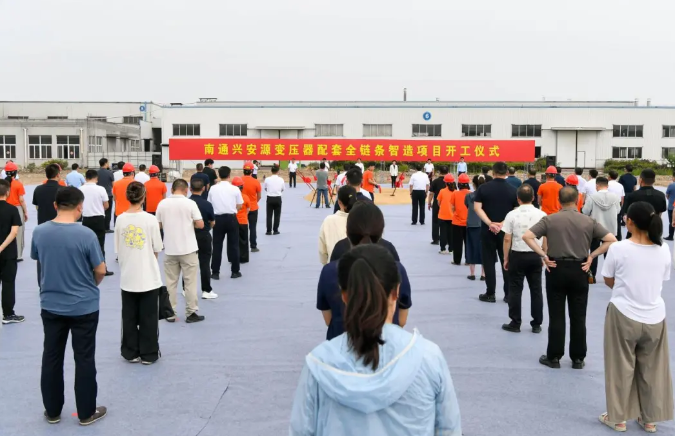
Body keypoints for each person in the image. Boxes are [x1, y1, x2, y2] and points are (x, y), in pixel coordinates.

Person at [296, 243, 460, 436]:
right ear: (396, 292)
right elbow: (449, 429)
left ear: (344, 295)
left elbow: (301, 430)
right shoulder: (428, 357)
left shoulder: (318, 364)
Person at [31, 187, 108, 426]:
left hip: (51, 304)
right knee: (84, 358)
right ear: (80, 207)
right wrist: (90, 285)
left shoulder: (40, 231)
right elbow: (100, 269)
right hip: (84, 305)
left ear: (55, 205)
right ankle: (86, 412)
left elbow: (39, 260)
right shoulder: (86, 235)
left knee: (51, 356)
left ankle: (52, 410)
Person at [598, 202, 673, 433]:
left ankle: (618, 418)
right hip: (655, 315)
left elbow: (608, 278)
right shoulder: (663, 249)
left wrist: (624, 290)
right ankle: (649, 419)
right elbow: (662, 278)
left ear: (629, 221)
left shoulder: (619, 248)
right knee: (653, 368)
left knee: (620, 366)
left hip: (623, 313)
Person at [523, 187, 617, 369]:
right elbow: (611, 239)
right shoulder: (588, 221)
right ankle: (578, 358)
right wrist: (591, 256)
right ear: (578, 200)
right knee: (579, 315)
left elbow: (527, 236)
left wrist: (543, 255)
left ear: (559, 201)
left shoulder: (550, 219)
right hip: (580, 269)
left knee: (556, 314)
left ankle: (554, 356)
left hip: (555, 268)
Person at [317, 203, 411, 339]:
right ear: (381, 231)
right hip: (389, 344)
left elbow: (328, 320)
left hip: (340, 343)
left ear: (347, 232)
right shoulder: (397, 269)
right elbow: (402, 320)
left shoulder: (329, 272)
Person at [114, 182, 163, 364]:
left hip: (128, 275)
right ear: (144, 197)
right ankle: (149, 353)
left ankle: (130, 351)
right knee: (149, 317)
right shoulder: (150, 219)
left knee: (129, 316)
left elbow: (118, 248)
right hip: (148, 275)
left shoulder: (120, 219)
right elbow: (157, 248)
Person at [155, 179, 205, 323]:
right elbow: (200, 224)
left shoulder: (162, 204)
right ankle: (191, 312)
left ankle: (170, 313)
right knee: (190, 283)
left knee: (171, 283)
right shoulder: (190, 203)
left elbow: (157, 225)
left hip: (170, 249)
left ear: (172, 189)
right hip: (188, 249)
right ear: (186, 190)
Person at [501, 184, 546, 333]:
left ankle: (515, 322)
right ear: (533, 198)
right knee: (536, 289)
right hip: (535, 254)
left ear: (518, 199)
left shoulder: (511, 215)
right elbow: (546, 237)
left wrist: (506, 258)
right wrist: (544, 254)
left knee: (515, 289)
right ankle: (536, 324)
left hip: (517, 254)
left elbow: (507, 238)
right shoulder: (542, 214)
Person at [473, 162, 518, 303]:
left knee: (489, 261)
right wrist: (503, 223)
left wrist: (490, 223)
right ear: (507, 173)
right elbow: (516, 210)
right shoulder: (513, 190)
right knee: (506, 260)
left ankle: (490, 293)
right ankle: (508, 294)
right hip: (506, 232)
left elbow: (477, 208)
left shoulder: (483, 188)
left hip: (487, 230)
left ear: (493, 172)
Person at [582, 177, 621, 283]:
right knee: (609, 253)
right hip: (610, 229)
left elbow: (585, 211)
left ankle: (592, 275)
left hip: (596, 229)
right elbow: (618, 211)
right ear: (607, 186)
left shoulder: (592, 197)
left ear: (597, 185)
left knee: (594, 252)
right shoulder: (615, 197)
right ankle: (610, 276)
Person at [208, 166, 244, 279]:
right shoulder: (235, 189)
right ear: (229, 175)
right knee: (234, 245)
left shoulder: (213, 188)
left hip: (217, 219)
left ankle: (215, 272)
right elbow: (240, 205)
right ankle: (235, 271)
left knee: (217, 246)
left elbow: (209, 204)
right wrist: (233, 210)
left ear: (219, 175)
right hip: (231, 218)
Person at [80, 170, 113, 277]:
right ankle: (103, 268)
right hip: (99, 219)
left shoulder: (80, 189)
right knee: (100, 245)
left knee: (86, 245)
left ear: (86, 178)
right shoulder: (101, 189)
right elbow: (106, 205)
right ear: (96, 178)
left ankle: (87, 269)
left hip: (86, 219)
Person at [0, 180, 23, 324]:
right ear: (7, 192)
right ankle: (8, 314)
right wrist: (1, 247)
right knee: (8, 283)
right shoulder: (12, 209)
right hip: (8, 253)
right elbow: (14, 232)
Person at [189, 178, 216, 299]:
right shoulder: (207, 204)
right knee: (205, 264)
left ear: (190, 189)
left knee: (188, 264)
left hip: (189, 236)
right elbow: (212, 222)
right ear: (204, 188)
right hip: (204, 235)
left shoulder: (186, 203)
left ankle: (186, 289)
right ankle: (206, 290)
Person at [621, 169, 667, 240]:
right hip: (653, 233)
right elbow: (660, 215)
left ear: (640, 180)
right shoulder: (661, 195)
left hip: (635, 233)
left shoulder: (632, 196)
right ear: (654, 181)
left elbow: (626, 214)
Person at [319, 186, 356, 265]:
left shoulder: (328, 220)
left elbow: (322, 251)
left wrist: (327, 265)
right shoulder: (361, 220)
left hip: (333, 266)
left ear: (339, 202)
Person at [4, 162, 27, 261]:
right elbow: (21, 200)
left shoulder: (2, 184)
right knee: (18, 232)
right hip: (17, 208)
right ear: (15, 172)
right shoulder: (18, 184)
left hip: (4, 207)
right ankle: (18, 255)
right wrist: (25, 212)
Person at [465, 175, 485, 281]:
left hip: (472, 224)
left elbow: (467, 206)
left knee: (471, 247)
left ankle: (472, 273)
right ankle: (483, 274)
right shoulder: (487, 196)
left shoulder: (469, 196)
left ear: (473, 184)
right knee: (484, 248)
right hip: (484, 224)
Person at [450, 173, 471, 265]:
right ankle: (468, 260)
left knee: (457, 243)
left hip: (457, 222)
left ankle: (457, 260)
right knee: (468, 243)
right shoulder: (471, 194)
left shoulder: (455, 193)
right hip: (469, 222)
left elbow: (452, 207)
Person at [242, 162, 262, 252]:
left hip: (242, 208)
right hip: (253, 208)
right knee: (253, 227)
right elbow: (259, 196)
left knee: (242, 227)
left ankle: (243, 246)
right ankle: (253, 246)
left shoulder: (239, 181)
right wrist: (253, 202)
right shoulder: (256, 181)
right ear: (252, 171)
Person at [428, 165, 449, 244]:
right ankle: (447, 239)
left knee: (435, 221)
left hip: (437, 203)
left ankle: (435, 239)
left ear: (439, 172)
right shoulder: (451, 182)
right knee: (447, 221)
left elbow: (431, 193)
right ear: (448, 172)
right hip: (447, 204)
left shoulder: (435, 181)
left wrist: (429, 203)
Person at [232, 176, 250, 264]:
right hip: (243, 221)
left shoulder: (230, 197)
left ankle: (232, 257)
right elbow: (248, 209)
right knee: (243, 240)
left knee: (232, 240)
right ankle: (243, 257)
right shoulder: (245, 197)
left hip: (232, 220)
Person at [436, 174, 455, 255]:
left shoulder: (442, 191)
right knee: (451, 233)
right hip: (452, 216)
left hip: (442, 215)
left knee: (443, 233)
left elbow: (438, 202)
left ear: (445, 183)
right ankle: (451, 249)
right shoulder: (455, 192)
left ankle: (443, 248)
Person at [264, 164, 284, 235]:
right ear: (278, 171)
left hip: (270, 198)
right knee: (277, 215)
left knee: (269, 215)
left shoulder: (267, 179)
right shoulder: (281, 179)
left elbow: (265, 188)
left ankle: (268, 231)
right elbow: (282, 189)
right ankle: (275, 230)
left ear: (271, 171)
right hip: (278, 198)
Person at [97, 158, 115, 233]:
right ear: (105, 163)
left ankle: (99, 227)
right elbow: (113, 185)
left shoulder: (96, 172)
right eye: (108, 162)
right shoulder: (110, 173)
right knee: (108, 211)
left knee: (99, 210)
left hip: (98, 194)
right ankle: (106, 228)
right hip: (108, 194)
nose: (108, 164)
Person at [607, 170, 626, 240]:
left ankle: (608, 237)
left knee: (608, 222)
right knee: (618, 222)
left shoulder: (607, 184)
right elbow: (622, 197)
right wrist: (621, 206)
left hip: (608, 204)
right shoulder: (620, 185)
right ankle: (618, 237)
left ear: (609, 176)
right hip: (618, 204)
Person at [667, 172, 675, 241]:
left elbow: (667, 195)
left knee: (671, 221)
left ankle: (671, 236)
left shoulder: (671, 186)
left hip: (671, 206)